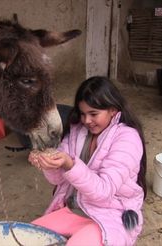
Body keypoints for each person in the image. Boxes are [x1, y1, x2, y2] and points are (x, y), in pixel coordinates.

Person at [28, 76, 147, 246]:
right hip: (76, 209)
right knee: (28, 235)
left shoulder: (127, 139)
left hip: (112, 214)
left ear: (113, 110)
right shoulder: (77, 131)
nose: (86, 121)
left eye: (93, 114)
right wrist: (47, 163)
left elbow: (103, 192)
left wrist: (69, 163)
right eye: (83, 114)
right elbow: (57, 179)